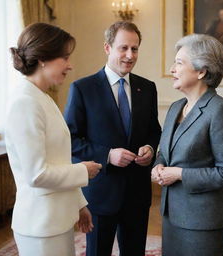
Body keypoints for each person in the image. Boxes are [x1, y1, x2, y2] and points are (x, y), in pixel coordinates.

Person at [64, 21, 162, 256]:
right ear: (107, 48)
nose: (130, 55)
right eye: (123, 48)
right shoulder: (82, 88)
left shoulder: (147, 88)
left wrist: (149, 147)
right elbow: (71, 140)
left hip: (137, 193)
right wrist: (107, 155)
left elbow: (154, 130)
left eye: (135, 49)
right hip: (100, 193)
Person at [5, 22, 102, 256]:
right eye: (65, 58)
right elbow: (36, 174)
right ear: (43, 59)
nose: (70, 66)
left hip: (55, 219)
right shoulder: (24, 102)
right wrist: (83, 171)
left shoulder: (43, 97)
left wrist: (79, 204)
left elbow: (58, 160)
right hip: (40, 225)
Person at [152, 33, 223, 256]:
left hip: (203, 221)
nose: (172, 69)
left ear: (202, 71)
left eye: (179, 63)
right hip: (171, 215)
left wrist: (180, 174)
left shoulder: (221, 111)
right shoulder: (174, 107)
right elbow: (165, 152)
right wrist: (158, 165)